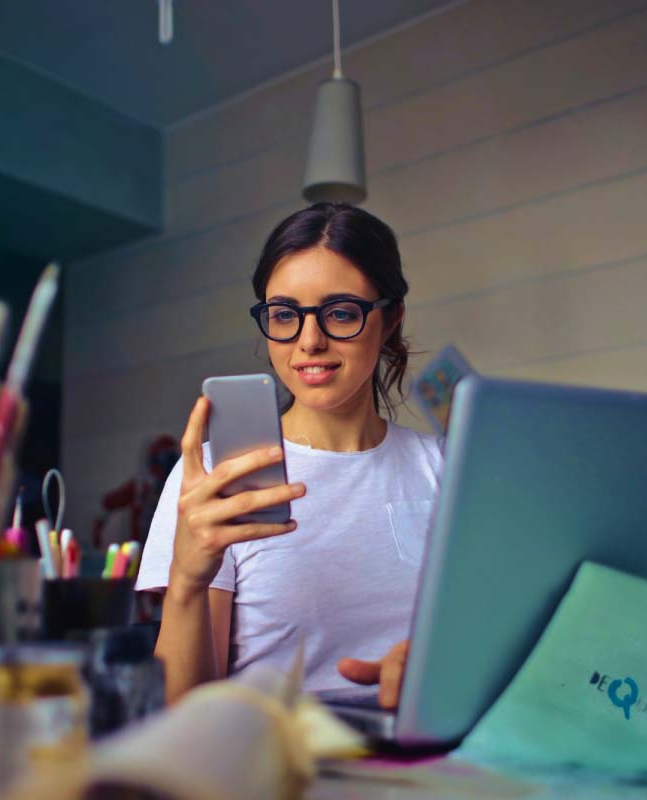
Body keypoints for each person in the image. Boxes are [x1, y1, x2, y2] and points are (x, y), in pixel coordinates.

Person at [136, 202, 441, 706]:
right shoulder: (217, 477)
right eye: (285, 315)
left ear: (390, 320)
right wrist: (188, 579)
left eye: (341, 312)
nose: (309, 341)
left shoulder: (447, 469)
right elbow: (183, 714)